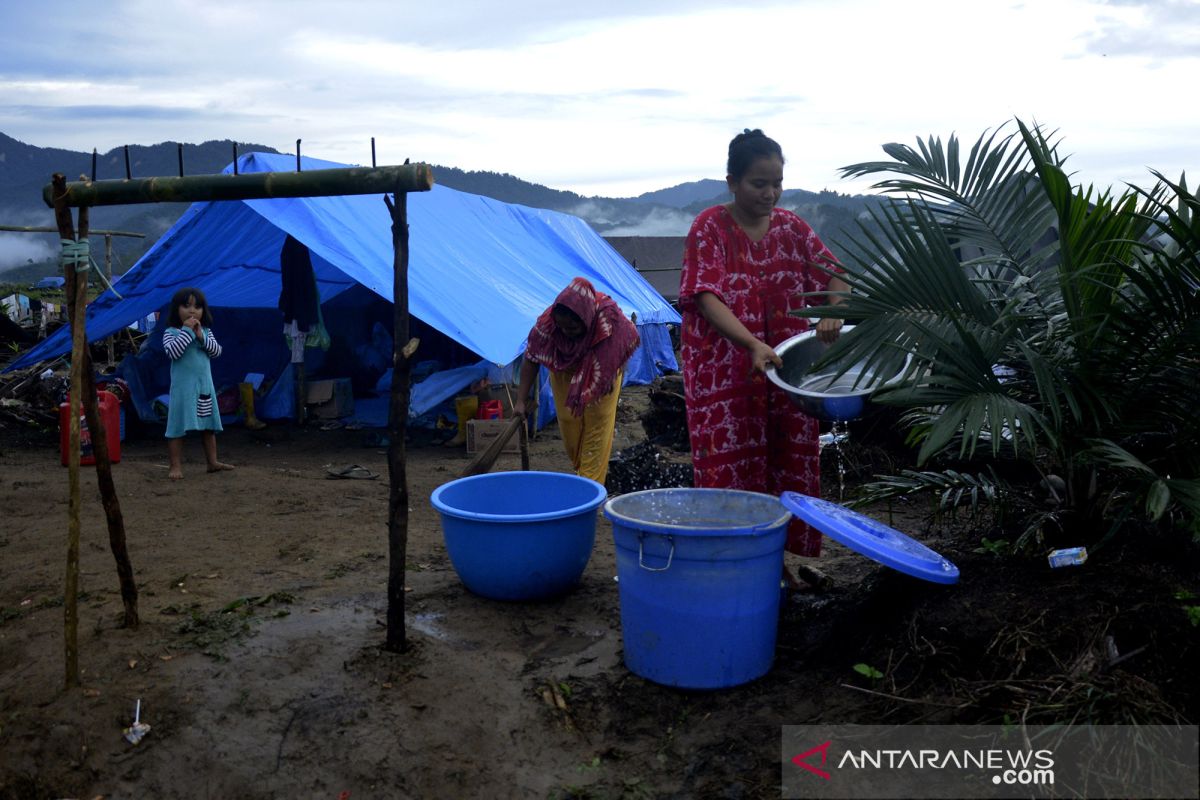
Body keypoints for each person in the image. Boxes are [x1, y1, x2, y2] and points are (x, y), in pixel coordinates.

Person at [679, 129, 848, 565]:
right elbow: (704, 295)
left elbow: (836, 274)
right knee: (728, 469)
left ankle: (779, 564)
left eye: (777, 183)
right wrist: (751, 343)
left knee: (788, 465)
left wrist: (834, 309)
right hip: (726, 379)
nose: (770, 193)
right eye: (759, 183)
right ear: (733, 181)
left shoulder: (793, 229)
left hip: (787, 376)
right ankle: (730, 560)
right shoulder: (710, 228)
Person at [514, 277, 640, 484]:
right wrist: (520, 400)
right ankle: (584, 472)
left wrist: (610, 374)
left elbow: (623, 344)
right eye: (562, 328)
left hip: (602, 372)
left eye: (572, 329)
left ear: (586, 319)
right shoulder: (547, 324)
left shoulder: (608, 317)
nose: (565, 332)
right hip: (565, 372)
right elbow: (531, 358)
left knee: (597, 428)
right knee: (568, 422)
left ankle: (590, 485)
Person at [162, 287, 234, 480]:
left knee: (208, 425)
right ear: (176, 309)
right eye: (186, 306)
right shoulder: (171, 332)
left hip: (204, 388)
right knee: (177, 426)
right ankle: (175, 466)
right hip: (182, 391)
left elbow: (217, 352)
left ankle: (212, 462)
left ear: (204, 311)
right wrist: (187, 331)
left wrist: (201, 336)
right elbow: (174, 353)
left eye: (197, 307)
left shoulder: (206, 332)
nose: (192, 311)